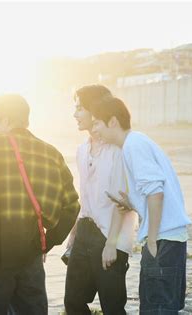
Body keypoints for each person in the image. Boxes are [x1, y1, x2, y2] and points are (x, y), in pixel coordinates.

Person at [0, 94, 80, 315]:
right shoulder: (51, 153)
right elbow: (72, 205)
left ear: (6, 120)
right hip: (31, 251)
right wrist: (48, 241)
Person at [90, 96, 192, 314]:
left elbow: (156, 192)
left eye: (97, 122)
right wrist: (133, 203)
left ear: (113, 121)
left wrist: (153, 238)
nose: (94, 129)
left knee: (157, 308)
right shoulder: (137, 141)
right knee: (160, 306)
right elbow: (153, 191)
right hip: (169, 238)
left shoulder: (133, 145)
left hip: (163, 239)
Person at [64, 85, 138, 315]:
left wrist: (111, 244)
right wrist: (74, 232)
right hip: (85, 230)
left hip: (110, 234)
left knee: (113, 307)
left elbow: (122, 202)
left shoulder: (118, 150)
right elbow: (85, 195)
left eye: (79, 108)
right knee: (73, 302)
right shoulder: (82, 150)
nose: (74, 114)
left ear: (94, 110)